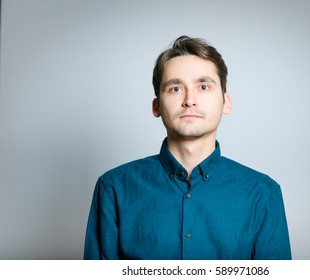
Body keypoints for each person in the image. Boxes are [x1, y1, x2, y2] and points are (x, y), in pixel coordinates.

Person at [84, 35, 292, 260]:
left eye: (203, 86)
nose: (189, 100)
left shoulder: (263, 193)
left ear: (226, 102)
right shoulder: (113, 188)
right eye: (175, 88)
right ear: (156, 106)